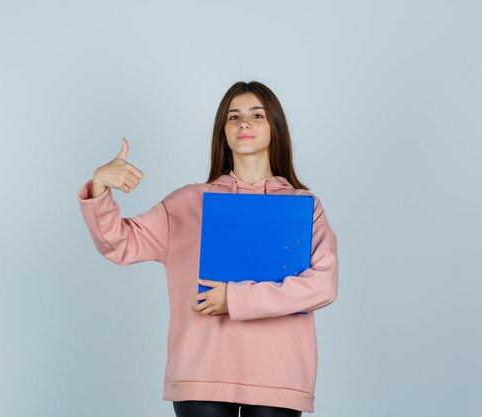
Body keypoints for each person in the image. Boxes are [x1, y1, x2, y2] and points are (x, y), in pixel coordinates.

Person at [77, 81, 338, 416]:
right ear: (223, 133)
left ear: (275, 128)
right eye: (234, 117)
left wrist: (234, 298)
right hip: (201, 370)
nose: (244, 123)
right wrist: (99, 188)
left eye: (257, 115)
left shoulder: (303, 207)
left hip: (279, 372)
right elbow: (120, 244)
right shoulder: (187, 202)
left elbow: (323, 284)